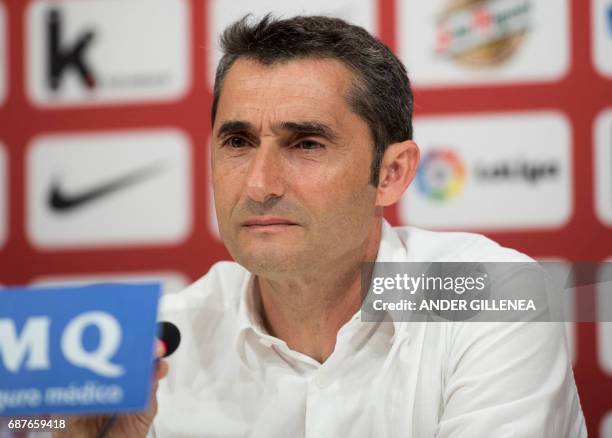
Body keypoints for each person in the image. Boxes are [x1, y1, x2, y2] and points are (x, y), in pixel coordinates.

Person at [58, 14, 586, 437]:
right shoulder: (158, 348)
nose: (259, 184)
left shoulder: (492, 297)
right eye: (238, 143)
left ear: (392, 174)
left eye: (306, 143)